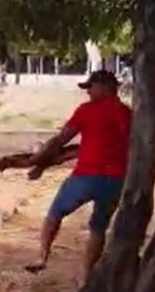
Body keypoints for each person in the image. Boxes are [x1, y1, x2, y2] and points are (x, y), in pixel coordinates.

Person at [25, 69, 132, 275]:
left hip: (86, 175)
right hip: (116, 179)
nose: (88, 92)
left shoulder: (87, 110)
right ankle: (86, 275)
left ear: (104, 87)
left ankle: (41, 256)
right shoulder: (126, 113)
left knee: (55, 213)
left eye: (90, 87)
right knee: (98, 228)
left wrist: (38, 160)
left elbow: (61, 140)